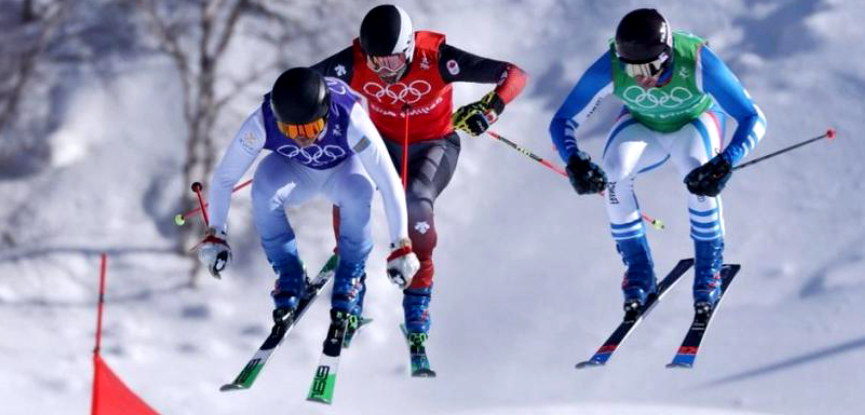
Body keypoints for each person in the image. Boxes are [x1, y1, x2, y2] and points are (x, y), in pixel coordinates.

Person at [309, 4, 527, 351]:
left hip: (433, 147)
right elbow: (303, 83)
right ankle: (351, 283)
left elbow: (514, 74)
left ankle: (417, 302)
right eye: (375, 62)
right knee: (348, 188)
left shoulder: (436, 58)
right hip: (382, 147)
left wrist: (490, 109)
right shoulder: (354, 61)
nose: (383, 71)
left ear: (409, 48)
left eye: (392, 61)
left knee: (416, 199)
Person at [548, 8, 767, 317]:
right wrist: (574, 161)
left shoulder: (697, 61)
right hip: (643, 124)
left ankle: (708, 269)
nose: (641, 78)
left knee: (698, 172)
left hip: (696, 121)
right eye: (631, 70)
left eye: (649, 68)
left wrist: (726, 161)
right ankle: (639, 270)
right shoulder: (610, 66)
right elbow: (562, 121)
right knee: (613, 173)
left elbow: (753, 117)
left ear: (668, 55)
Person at [197, 67, 420, 335]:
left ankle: (351, 274)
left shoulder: (352, 119)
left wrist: (401, 244)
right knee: (263, 186)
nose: (302, 138)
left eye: (311, 127)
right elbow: (224, 177)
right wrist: (216, 232)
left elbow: (388, 181)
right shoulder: (262, 122)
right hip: (297, 172)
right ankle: (289, 271)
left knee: (359, 191)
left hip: (344, 171)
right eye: (289, 130)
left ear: (325, 115)